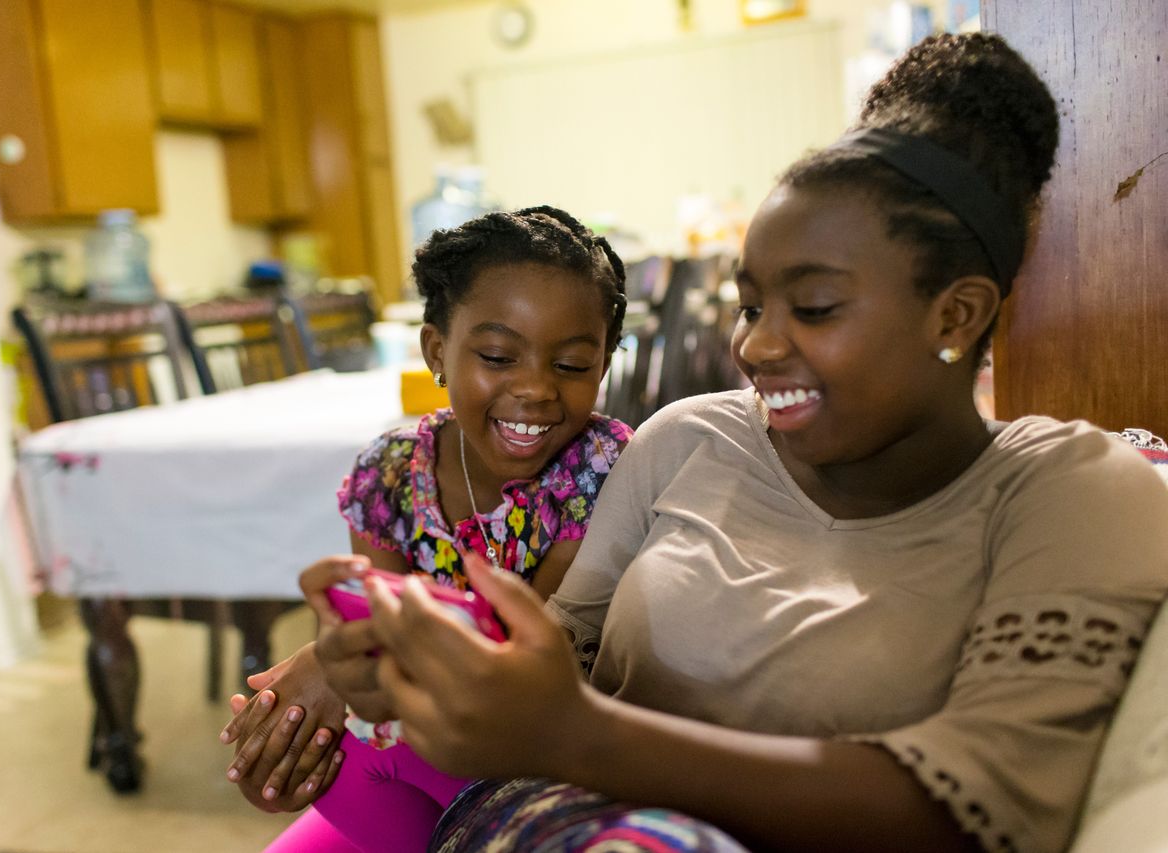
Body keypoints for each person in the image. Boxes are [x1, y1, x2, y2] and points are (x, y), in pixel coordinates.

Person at [307, 33, 1168, 853]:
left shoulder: (1069, 491)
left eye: (815, 308)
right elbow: (558, 649)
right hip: (557, 817)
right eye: (753, 306)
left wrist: (578, 732)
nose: (754, 346)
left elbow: (971, 808)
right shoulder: (689, 438)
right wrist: (413, 658)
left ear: (956, 314)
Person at [219, 205, 635, 851]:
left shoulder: (602, 468)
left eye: (574, 365)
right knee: (327, 741)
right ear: (437, 350)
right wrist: (287, 732)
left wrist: (335, 659)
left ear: (605, 364)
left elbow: (530, 645)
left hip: (546, 751)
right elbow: (369, 631)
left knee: (350, 721)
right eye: (498, 355)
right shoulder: (389, 473)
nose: (535, 389)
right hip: (417, 742)